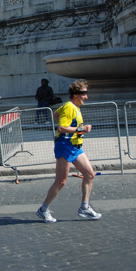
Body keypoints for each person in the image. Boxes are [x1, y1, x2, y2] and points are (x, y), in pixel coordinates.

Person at [36, 80, 101, 223]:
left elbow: (55, 113)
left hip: (75, 146)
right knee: (61, 181)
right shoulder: (70, 107)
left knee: (90, 174)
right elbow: (61, 128)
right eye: (84, 94)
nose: (86, 97)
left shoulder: (73, 107)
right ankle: (43, 209)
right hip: (65, 145)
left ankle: (84, 207)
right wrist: (81, 129)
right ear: (76, 94)